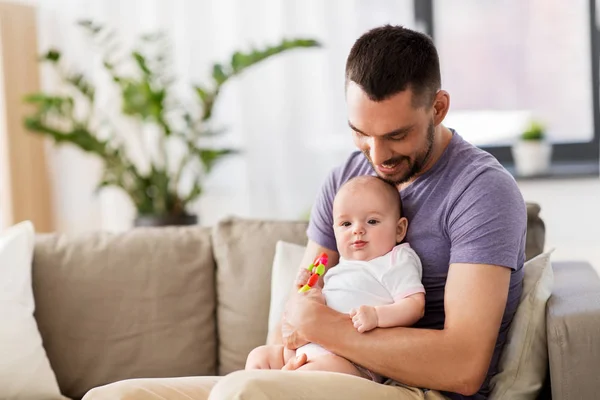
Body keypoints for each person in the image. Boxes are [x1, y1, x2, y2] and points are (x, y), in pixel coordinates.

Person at [83, 24, 526, 400]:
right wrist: (281, 353)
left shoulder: (481, 191)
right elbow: (304, 291)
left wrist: (326, 329)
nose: (377, 155)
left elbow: (464, 367)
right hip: (316, 365)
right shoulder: (346, 181)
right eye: (360, 133)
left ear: (438, 107)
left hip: (408, 386)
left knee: (246, 394)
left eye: (396, 135)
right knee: (115, 397)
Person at [245, 175, 426, 383]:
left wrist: (377, 316)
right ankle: (275, 384)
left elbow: (414, 305)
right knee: (258, 357)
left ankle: (284, 384)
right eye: (346, 223)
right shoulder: (341, 265)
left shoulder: (396, 259)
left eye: (372, 221)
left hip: (351, 361)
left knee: (309, 377)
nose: (357, 230)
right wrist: (309, 291)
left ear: (399, 229)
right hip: (307, 348)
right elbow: (322, 307)